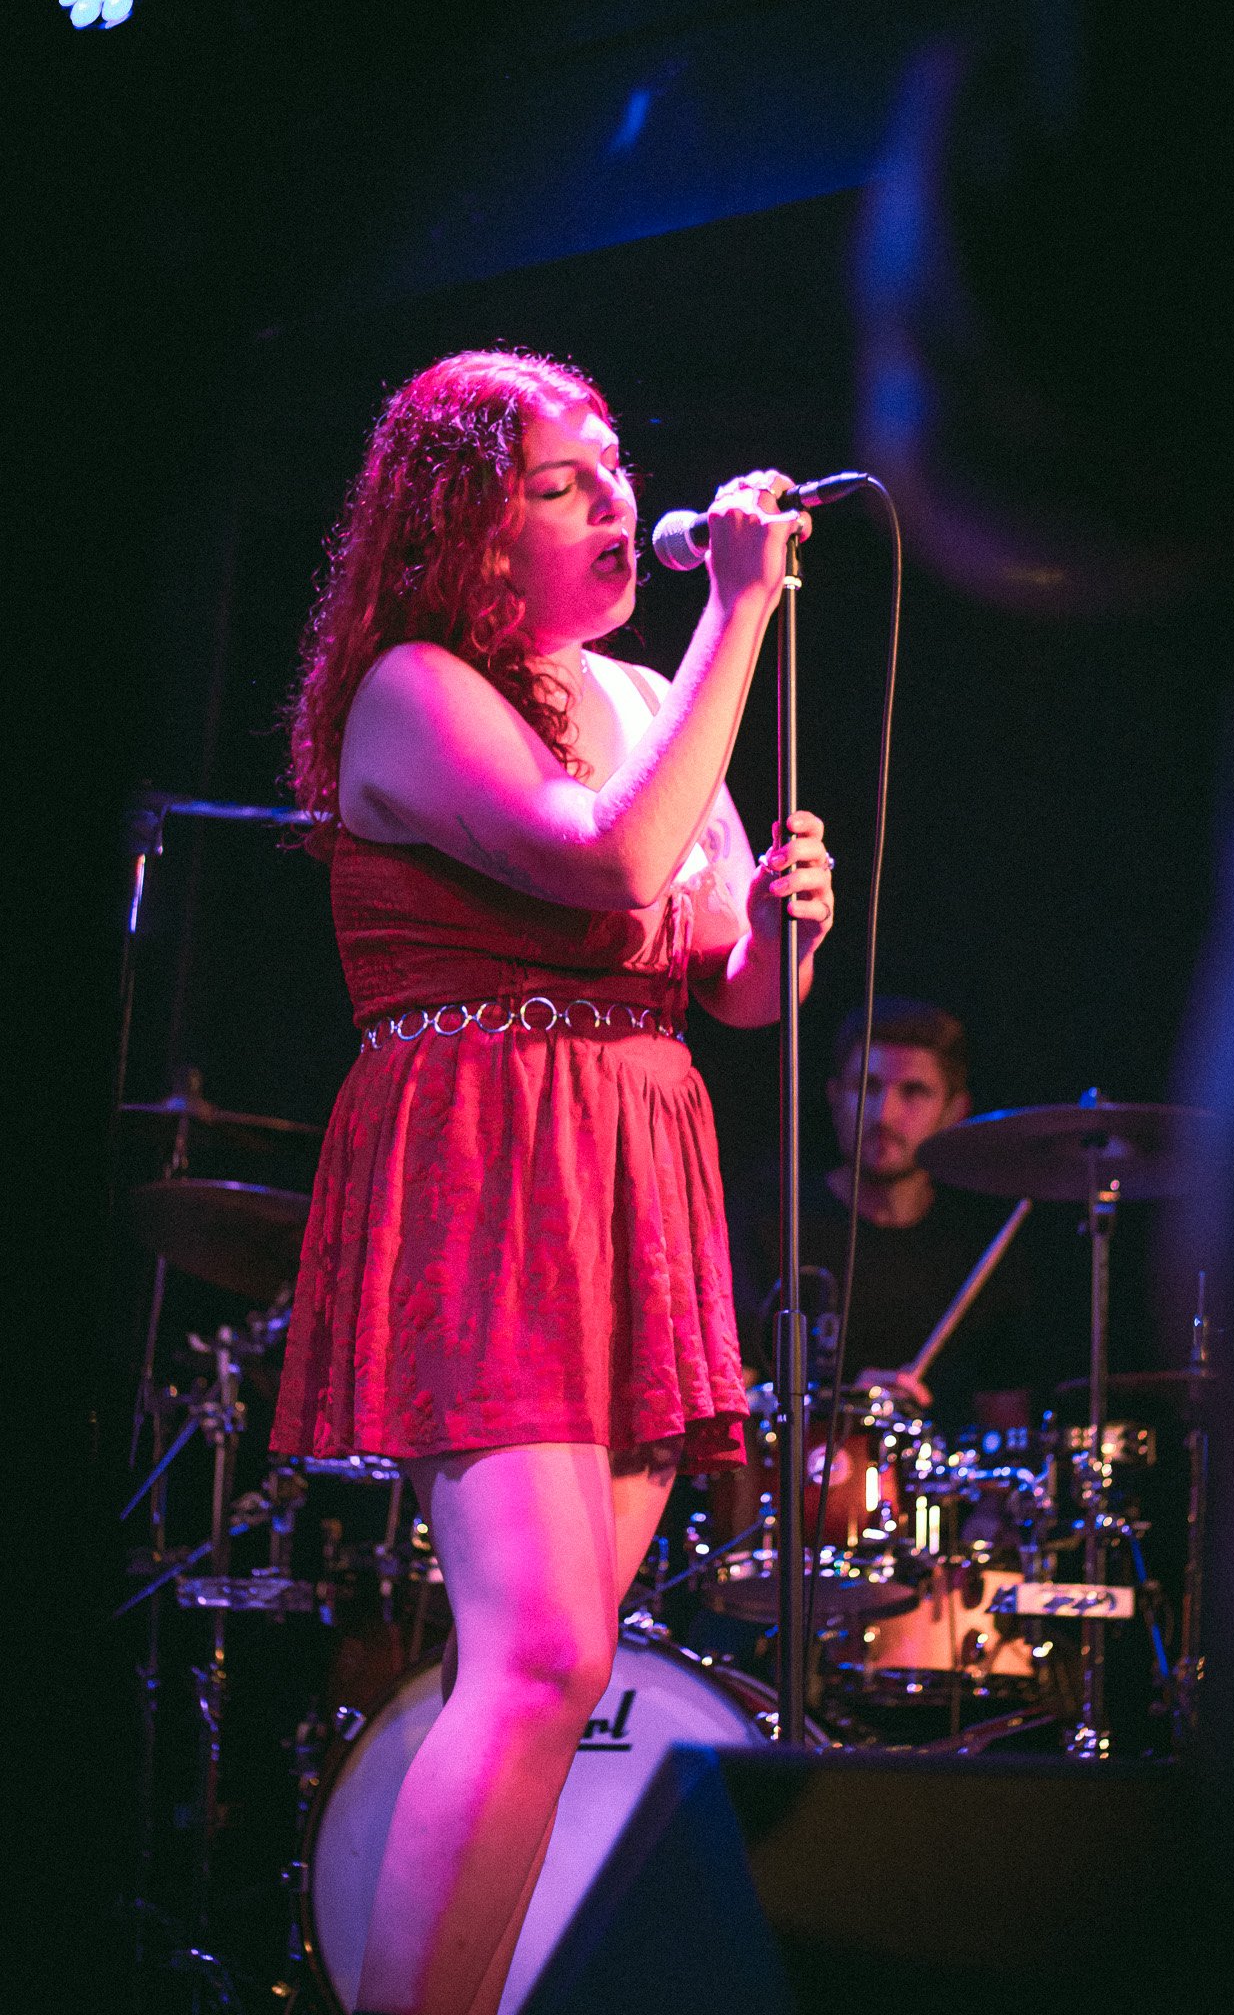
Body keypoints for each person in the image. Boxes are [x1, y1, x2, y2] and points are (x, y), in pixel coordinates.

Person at [268, 349, 835, 2015]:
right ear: (469, 525)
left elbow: (727, 983)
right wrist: (743, 609)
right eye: (560, 481)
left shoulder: (652, 699)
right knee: (533, 1653)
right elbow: (608, 856)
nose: (614, 500)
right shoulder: (415, 688)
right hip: (487, 1149)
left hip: (634, 1157)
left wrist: (783, 935)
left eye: (613, 467)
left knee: (566, 1664)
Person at [732, 997, 1039, 1432]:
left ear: (955, 1110)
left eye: (913, 1092)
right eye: (866, 1087)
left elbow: (1007, 1429)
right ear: (835, 1097)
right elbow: (729, 1406)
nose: (883, 1114)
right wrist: (846, 1406)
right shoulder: (773, 1225)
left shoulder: (980, 1247)